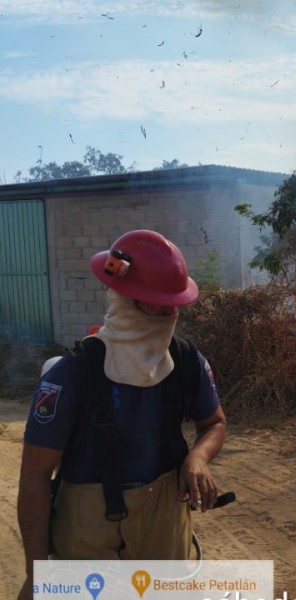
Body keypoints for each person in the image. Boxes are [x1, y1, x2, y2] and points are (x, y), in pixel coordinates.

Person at [17, 230, 227, 600]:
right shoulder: (70, 376)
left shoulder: (186, 362)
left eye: (172, 307)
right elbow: (35, 475)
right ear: (125, 300)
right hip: (86, 534)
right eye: (157, 307)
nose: (168, 317)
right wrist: (37, 574)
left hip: (164, 526)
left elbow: (215, 424)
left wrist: (198, 456)